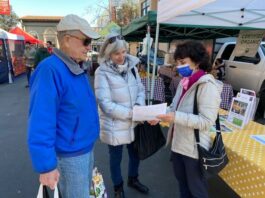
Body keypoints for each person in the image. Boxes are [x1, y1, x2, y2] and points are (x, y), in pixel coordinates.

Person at [28, 14, 100, 198]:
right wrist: (46, 166)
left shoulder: (76, 67)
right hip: (69, 156)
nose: (89, 47)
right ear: (67, 40)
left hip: (83, 149)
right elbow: (41, 121)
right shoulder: (50, 70)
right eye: (86, 41)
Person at [149, 41, 222, 198]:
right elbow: (174, 108)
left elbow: (206, 121)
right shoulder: (184, 82)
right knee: (183, 187)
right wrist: (158, 116)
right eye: (177, 62)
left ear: (197, 61)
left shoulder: (207, 86)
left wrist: (175, 117)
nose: (179, 66)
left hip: (194, 149)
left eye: (183, 62)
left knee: (197, 191)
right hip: (179, 145)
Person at [94, 33, 148, 198]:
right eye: (117, 53)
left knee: (135, 154)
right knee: (115, 158)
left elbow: (140, 89)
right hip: (114, 125)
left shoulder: (132, 67)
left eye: (124, 52)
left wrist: (139, 106)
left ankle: (133, 179)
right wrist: (132, 114)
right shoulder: (101, 73)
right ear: (108, 54)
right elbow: (105, 103)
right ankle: (118, 187)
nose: (122, 56)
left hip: (134, 121)